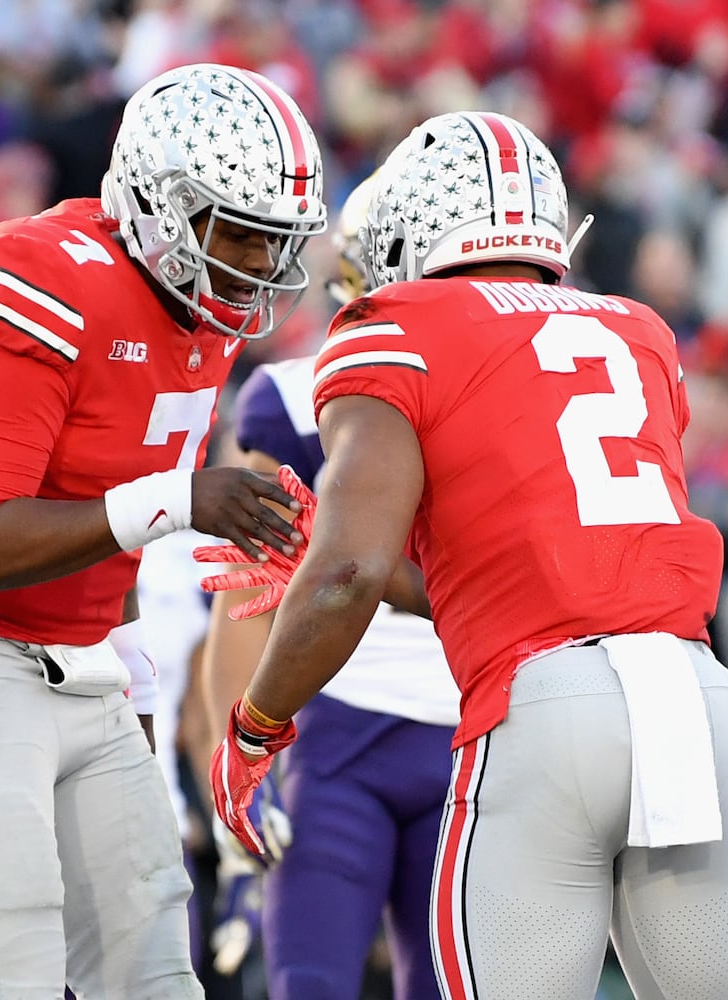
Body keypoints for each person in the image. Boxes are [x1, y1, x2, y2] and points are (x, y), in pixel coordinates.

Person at [204, 110, 728, 1000]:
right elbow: (545, 568)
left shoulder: (397, 324)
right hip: (692, 695)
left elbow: (343, 575)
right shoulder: (638, 330)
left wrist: (254, 725)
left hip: (541, 704)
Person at [0, 62, 325, 999]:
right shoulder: (41, 273)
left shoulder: (203, 312)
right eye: (241, 232)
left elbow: (119, 534)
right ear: (158, 202)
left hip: (87, 658)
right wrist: (182, 500)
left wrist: (135, 695)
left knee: (155, 969)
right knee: (11, 967)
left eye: (275, 241)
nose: (260, 266)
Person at [199, 170, 461, 1000]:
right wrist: (238, 757)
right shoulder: (290, 398)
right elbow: (248, 602)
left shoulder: (495, 394)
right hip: (334, 734)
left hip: (471, 729)